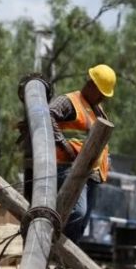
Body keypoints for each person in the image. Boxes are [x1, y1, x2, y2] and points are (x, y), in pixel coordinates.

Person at [48, 64, 115, 242]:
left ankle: (66, 261)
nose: (102, 98)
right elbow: (47, 115)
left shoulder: (98, 110)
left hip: (91, 175)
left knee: (82, 222)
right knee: (77, 212)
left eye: (104, 96)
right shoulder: (69, 101)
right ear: (91, 84)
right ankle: (53, 249)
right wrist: (64, 145)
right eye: (100, 93)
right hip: (68, 167)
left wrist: (106, 160)